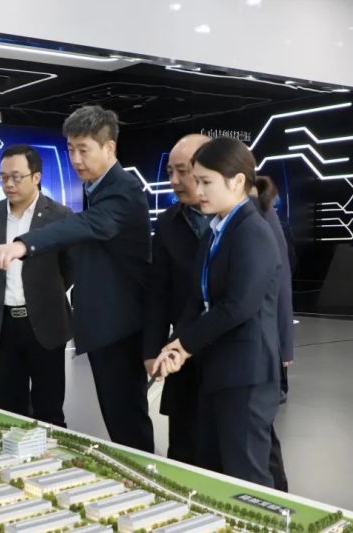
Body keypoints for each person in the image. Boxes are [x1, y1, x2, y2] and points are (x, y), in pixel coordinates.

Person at [0, 107, 154, 452]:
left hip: (119, 324)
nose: (75, 159)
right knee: (117, 416)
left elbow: (86, 226)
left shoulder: (123, 188)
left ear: (109, 148)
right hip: (104, 324)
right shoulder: (97, 186)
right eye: (70, 149)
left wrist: (23, 245)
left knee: (126, 418)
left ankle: (146, 475)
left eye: (83, 150)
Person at [152, 137, 282, 487]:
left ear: (237, 182)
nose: (198, 190)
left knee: (246, 474)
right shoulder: (216, 231)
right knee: (212, 464)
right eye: (197, 180)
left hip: (247, 373)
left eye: (206, 182)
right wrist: (175, 345)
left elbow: (238, 306)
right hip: (217, 368)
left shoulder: (253, 231)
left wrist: (185, 345)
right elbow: (198, 298)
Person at [0, 145, 73, 426]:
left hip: (45, 323)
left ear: (36, 177)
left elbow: (69, 269)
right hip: (4, 324)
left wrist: (45, 294)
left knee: (49, 408)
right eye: (3, 177)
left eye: (16, 177)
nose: (9, 184)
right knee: (11, 407)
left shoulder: (59, 216)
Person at [142, 133, 211, 464]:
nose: (174, 181)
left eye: (182, 171)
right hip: (181, 350)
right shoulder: (169, 222)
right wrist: (151, 349)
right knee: (183, 443)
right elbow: (159, 291)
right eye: (170, 172)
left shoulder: (244, 218)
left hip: (232, 351)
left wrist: (283, 349)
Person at [252, 174, 294, 492]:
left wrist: (285, 347)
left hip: (259, 349)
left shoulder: (260, 213)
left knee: (260, 434)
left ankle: (277, 500)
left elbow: (281, 284)